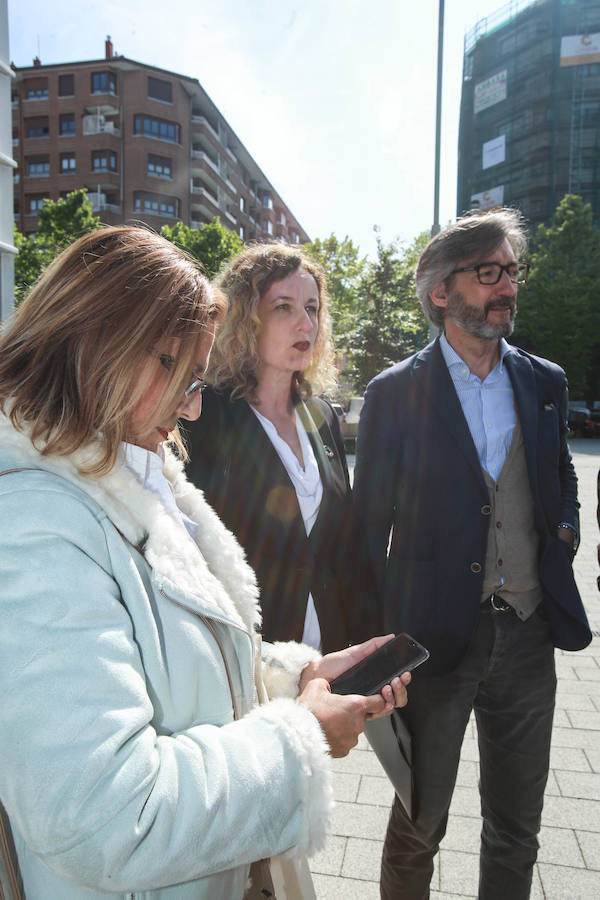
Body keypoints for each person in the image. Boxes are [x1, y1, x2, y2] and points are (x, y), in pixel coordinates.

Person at [0, 226, 410, 900]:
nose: (192, 405)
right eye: (181, 376)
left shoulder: (132, 468)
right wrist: (300, 734)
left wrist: (293, 675)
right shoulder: (32, 525)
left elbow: (178, 661)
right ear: (108, 346)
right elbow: (109, 818)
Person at [353, 209, 592, 900]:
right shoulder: (395, 393)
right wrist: (372, 649)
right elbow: (368, 527)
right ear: (441, 292)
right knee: (418, 823)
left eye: (510, 271)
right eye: (487, 273)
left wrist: (567, 529)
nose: (505, 287)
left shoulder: (544, 381)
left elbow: (562, 473)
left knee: (518, 828)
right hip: (432, 638)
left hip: (528, 630)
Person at [185, 243, 378, 652]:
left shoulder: (322, 415)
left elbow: (346, 547)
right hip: (248, 655)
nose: (304, 324)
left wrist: (364, 650)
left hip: (329, 654)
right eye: (283, 308)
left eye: (311, 308)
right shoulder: (205, 415)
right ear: (245, 319)